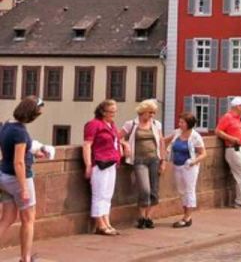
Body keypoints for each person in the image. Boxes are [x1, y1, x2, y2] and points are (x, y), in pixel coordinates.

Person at [0, 96, 47, 261]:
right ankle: (25, 258)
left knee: (7, 218)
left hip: (3, 176)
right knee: (28, 219)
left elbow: (12, 152)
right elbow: (18, 162)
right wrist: (24, 188)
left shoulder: (6, 125)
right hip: (18, 179)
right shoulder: (20, 132)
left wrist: (33, 153)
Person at [120, 98, 166, 229]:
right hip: (139, 160)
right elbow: (118, 136)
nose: (152, 115)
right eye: (150, 112)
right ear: (143, 111)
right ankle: (141, 215)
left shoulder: (156, 124)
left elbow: (161, 142)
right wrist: (125, 145)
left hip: (154, 159)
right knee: (144, 189)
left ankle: (148, 217)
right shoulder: (131, 124)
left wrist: (163, 161)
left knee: (154, 190)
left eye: (153, 113)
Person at [83, 99, 123, 235]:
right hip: (99, 162)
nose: (113, 114)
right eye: (111, 112)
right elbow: (87, 145)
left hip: (111, 162)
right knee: (99, 194)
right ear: (103, 112)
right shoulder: (94, 124)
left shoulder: (111, 125)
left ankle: (107, 220)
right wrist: (88, 164)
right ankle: (100, 223)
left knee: (107, 194)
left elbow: (116, 140)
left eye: (114, 111)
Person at [165, 111, 206, 228]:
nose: (179, 124)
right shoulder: (177, 133)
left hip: (189, 167)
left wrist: (193, 162)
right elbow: (164, 140)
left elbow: (203, 154)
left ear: (189, 124)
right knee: (181, 191)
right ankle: (185, 214)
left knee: (189, 190)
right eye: (180, 121)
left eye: (182, 122)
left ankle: (187, 217)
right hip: (177, 165)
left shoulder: (195, 137)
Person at [216, 96, 241, 208]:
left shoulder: (238, 119)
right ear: (237, 106)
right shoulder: (227, 117)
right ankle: (240, 200)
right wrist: (231, 138)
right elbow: (218, 131)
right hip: (233, 148)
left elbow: (237, 131)